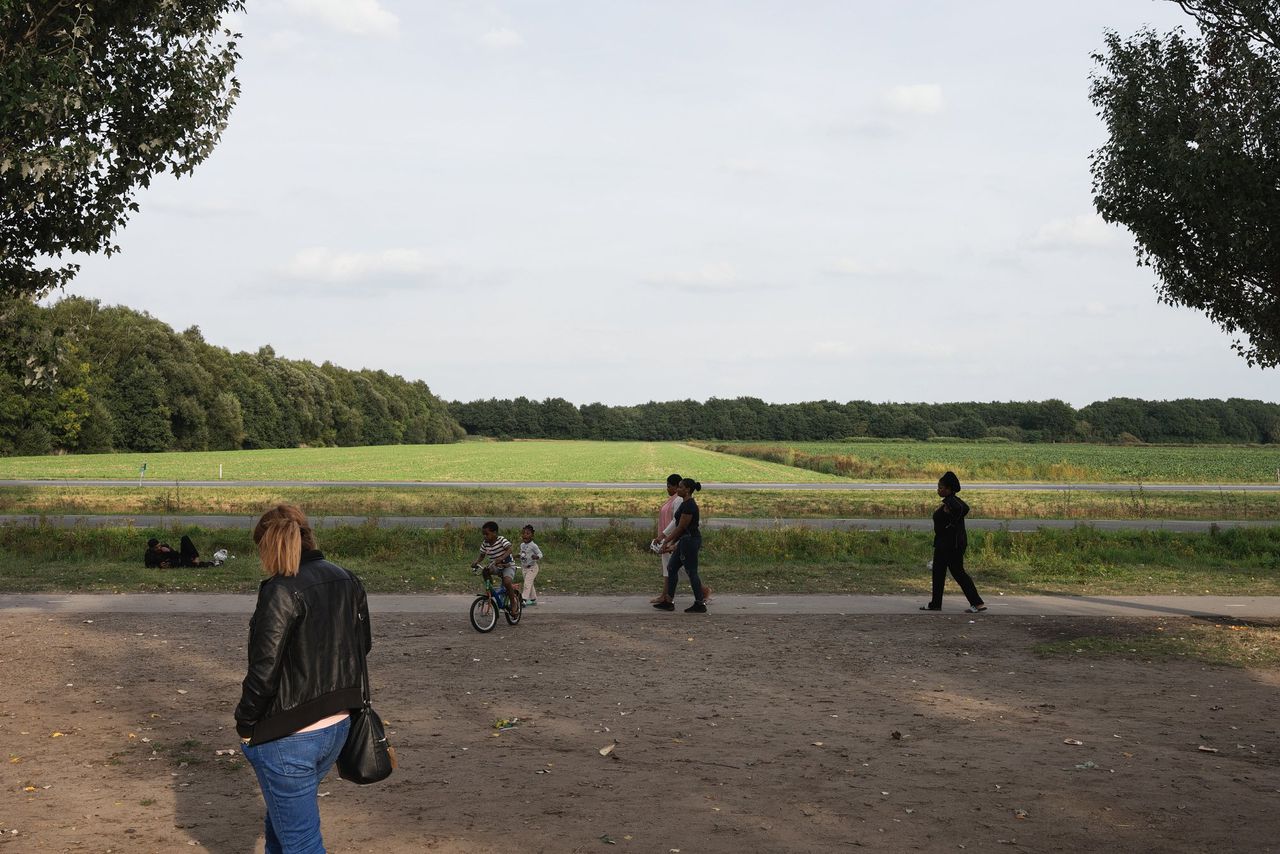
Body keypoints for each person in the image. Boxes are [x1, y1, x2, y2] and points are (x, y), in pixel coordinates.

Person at [235, 504, 371, 854]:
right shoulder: (347, 578)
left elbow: (264, 670)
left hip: (288, 736)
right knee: (281, 828)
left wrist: (245, 724)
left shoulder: (279, 591)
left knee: (301, 842)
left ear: (269, 545)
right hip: (338, 726)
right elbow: (362, 645)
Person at [920, 471, 987, 613]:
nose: (938, 490)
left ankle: (977, 603)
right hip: (945, 544)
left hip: (950, 545)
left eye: (941, 488)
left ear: (949, 489)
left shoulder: (952, 502)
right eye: (938, 487)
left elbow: (964, 508)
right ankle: (936, 604)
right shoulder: (950, 501)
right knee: (939, 573)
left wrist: (951, 523)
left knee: (956, 572)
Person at [654, 478, 708, 614]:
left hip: (690, 541)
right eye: (677, 487)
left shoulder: (689, 506)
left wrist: (666, 541)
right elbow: (680, 528)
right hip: (685, 540)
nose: (677, 490)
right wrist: (672, 543)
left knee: (692, 572)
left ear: (687, 490)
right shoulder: (685, 504)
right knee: (671, 567)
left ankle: (700, 603)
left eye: (680, 487)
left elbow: (681, 527)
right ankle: (668, 601)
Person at [650, 473, 683, 605]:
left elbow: (676, 521)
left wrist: (663, 535)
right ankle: (664, 595)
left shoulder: (678, 500)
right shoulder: (673, 499)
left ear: (676, 486)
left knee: (677, 569)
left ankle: (702, 591)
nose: (667, 489)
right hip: (668, 538)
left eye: (669, 486)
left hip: (672, 538)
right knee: (670, 568)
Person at [472, 521, 519, 607]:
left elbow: (510, 549)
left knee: (507, 582)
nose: (485, 536)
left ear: (494, 533)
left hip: (508, 566)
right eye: (483, 534)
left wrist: (501, 558)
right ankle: (490, 590)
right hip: (496, 566)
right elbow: (482, 556)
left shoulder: (501, 540)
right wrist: (476, 562)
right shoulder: (485, 544)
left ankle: (513, 603)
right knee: (485, 571)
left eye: (487, 534)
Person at [144, 535, 211, 568]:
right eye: (156, 547)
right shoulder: (149, 554)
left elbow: (176, 554)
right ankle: (209, 563)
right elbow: (148, 565)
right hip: (179, 563)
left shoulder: (164, 546)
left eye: (159, 546)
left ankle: (196, 557)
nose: (159, 548)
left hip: (181, 557)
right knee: (198, 565)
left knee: (184, 538)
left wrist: (169, 550)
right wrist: (159, 565)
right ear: (152, 548)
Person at [519, 524, 543, 606]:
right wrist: (516, 556)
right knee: (530, 583)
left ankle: (523, 599)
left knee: (527, 583)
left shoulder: (533, 545)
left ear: (532, 536)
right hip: (524, 568)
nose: (525, 535)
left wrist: (536, 556)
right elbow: (522, 554)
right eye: (523, 533)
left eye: (527, 533)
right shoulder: (522, 545)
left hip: (532, 568)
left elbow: (540, 554)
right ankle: (533, 599)